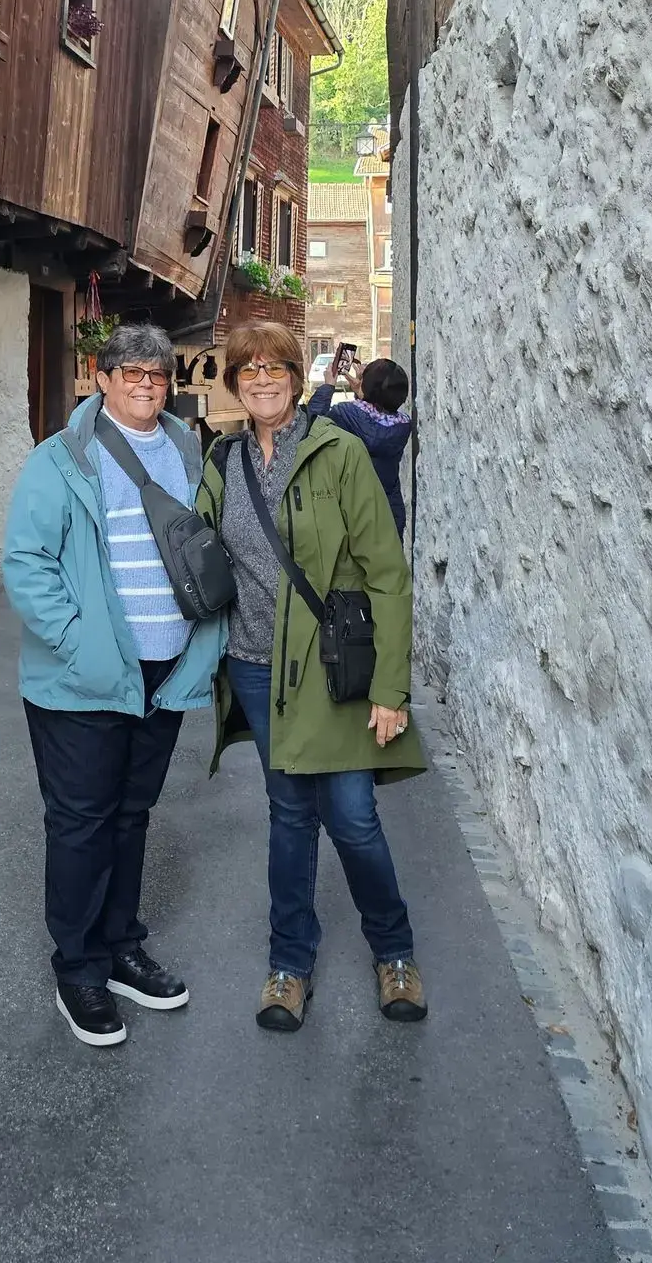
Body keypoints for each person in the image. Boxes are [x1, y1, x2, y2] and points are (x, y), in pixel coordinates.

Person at [197, 321, 427, 1033]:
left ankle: (395, 952)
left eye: (275, 367)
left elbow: (388, 574)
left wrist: (391, 689)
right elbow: (198, 553)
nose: (261, 379)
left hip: (332, 671)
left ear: (299, 377)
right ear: (233, 381)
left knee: (354, 820)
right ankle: (289, 966)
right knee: (290, 818)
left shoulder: (339, 452)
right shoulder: (224, 458)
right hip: (259, 670)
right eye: (247, 369)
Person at [2, 322, 225, 1047]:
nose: (145, 386)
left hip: (165, 673)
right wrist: (78, 645)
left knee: (132, 816)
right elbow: (28, 565)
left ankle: (122, 945)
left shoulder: (189, 451)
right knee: (81, 823)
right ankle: (80, 968)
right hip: (83, 680)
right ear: (102, 378)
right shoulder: (61, 459)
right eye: (131, 374)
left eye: (157, 376)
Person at [309, 356, 413, 539]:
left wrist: (328, 386)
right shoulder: (403, 426)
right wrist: (364, 393)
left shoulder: (344, 414)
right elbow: (374, 420)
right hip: (388, 513)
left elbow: (312, 425)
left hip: (350, 515)